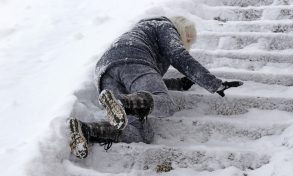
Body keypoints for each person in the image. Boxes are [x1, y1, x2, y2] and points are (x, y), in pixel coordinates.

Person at [68, 16, 243, 159]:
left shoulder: (142, 34)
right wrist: (214, 83)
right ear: (182, 30)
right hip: (133, 59)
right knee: (166, 104)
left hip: (105, 71)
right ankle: (122, 103)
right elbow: (178, 55)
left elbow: (144, 81)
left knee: (141, 134)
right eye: (188, 38)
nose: (187, 42)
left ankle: (86, 130)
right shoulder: (164, 25)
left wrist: (180, 84)